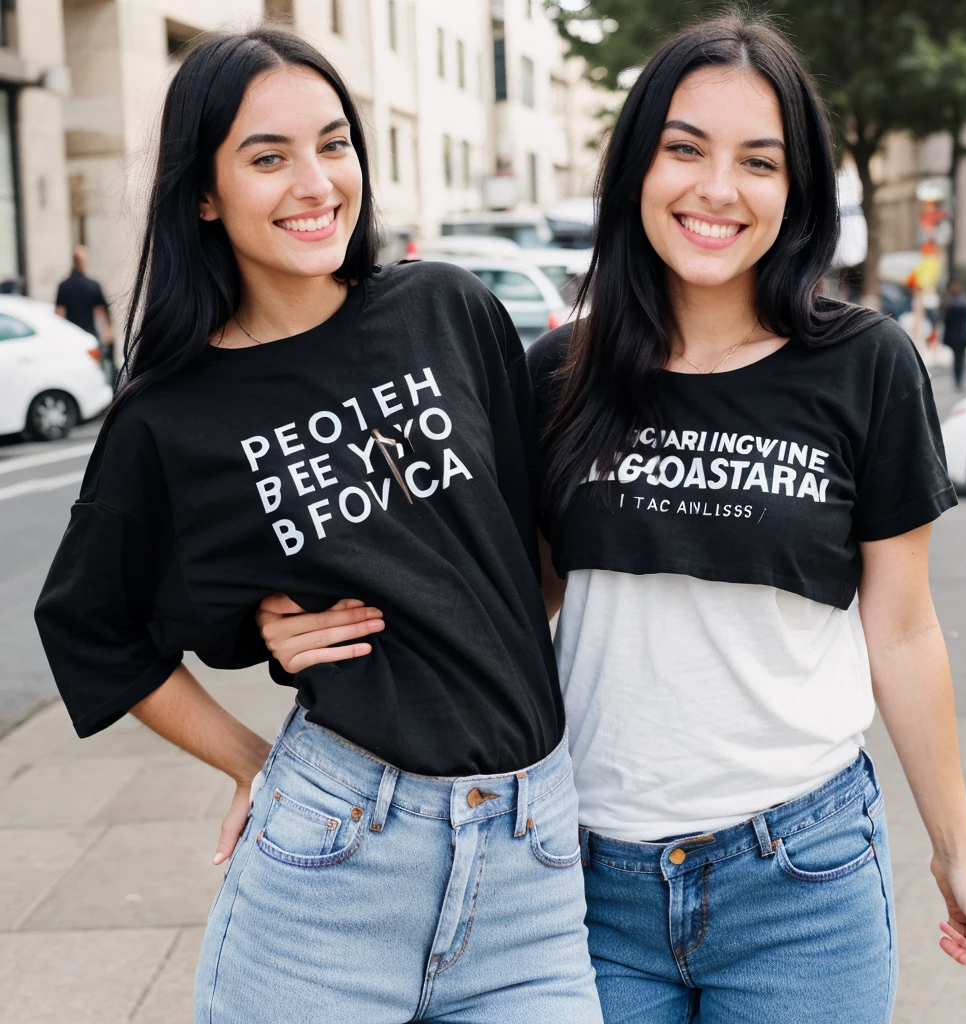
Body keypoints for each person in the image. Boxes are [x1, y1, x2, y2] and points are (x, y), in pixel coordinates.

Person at [261, 13, 966, 1023]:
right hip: (579, 877)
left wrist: (957, 851)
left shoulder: (863, 364)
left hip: (801, 875)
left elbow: (904, 624)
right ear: (634, 169)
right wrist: (303, 630)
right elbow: (502, 607)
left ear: (796, 193)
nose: (716, 188)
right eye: (684, 148)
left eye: (759, 160)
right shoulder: (558, 374)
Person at [34, 29, 601, 1024]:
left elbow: (521, 557)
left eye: (333, 144)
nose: (315, 182)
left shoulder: (448, 308)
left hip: (532, 858)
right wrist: (255, 759)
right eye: (268, 156)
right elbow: (91, 625)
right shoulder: (172, 413)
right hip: (335, 857)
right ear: (203, 191)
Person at [55, 245, 115, 383]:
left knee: (74, 371)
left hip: (71, 335)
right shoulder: (93, 285)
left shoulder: (63, 286)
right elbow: (101, 313)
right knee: (94, 370)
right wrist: (107, 333)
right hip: (90, 333)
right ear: (85, 261)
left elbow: (59, 314)